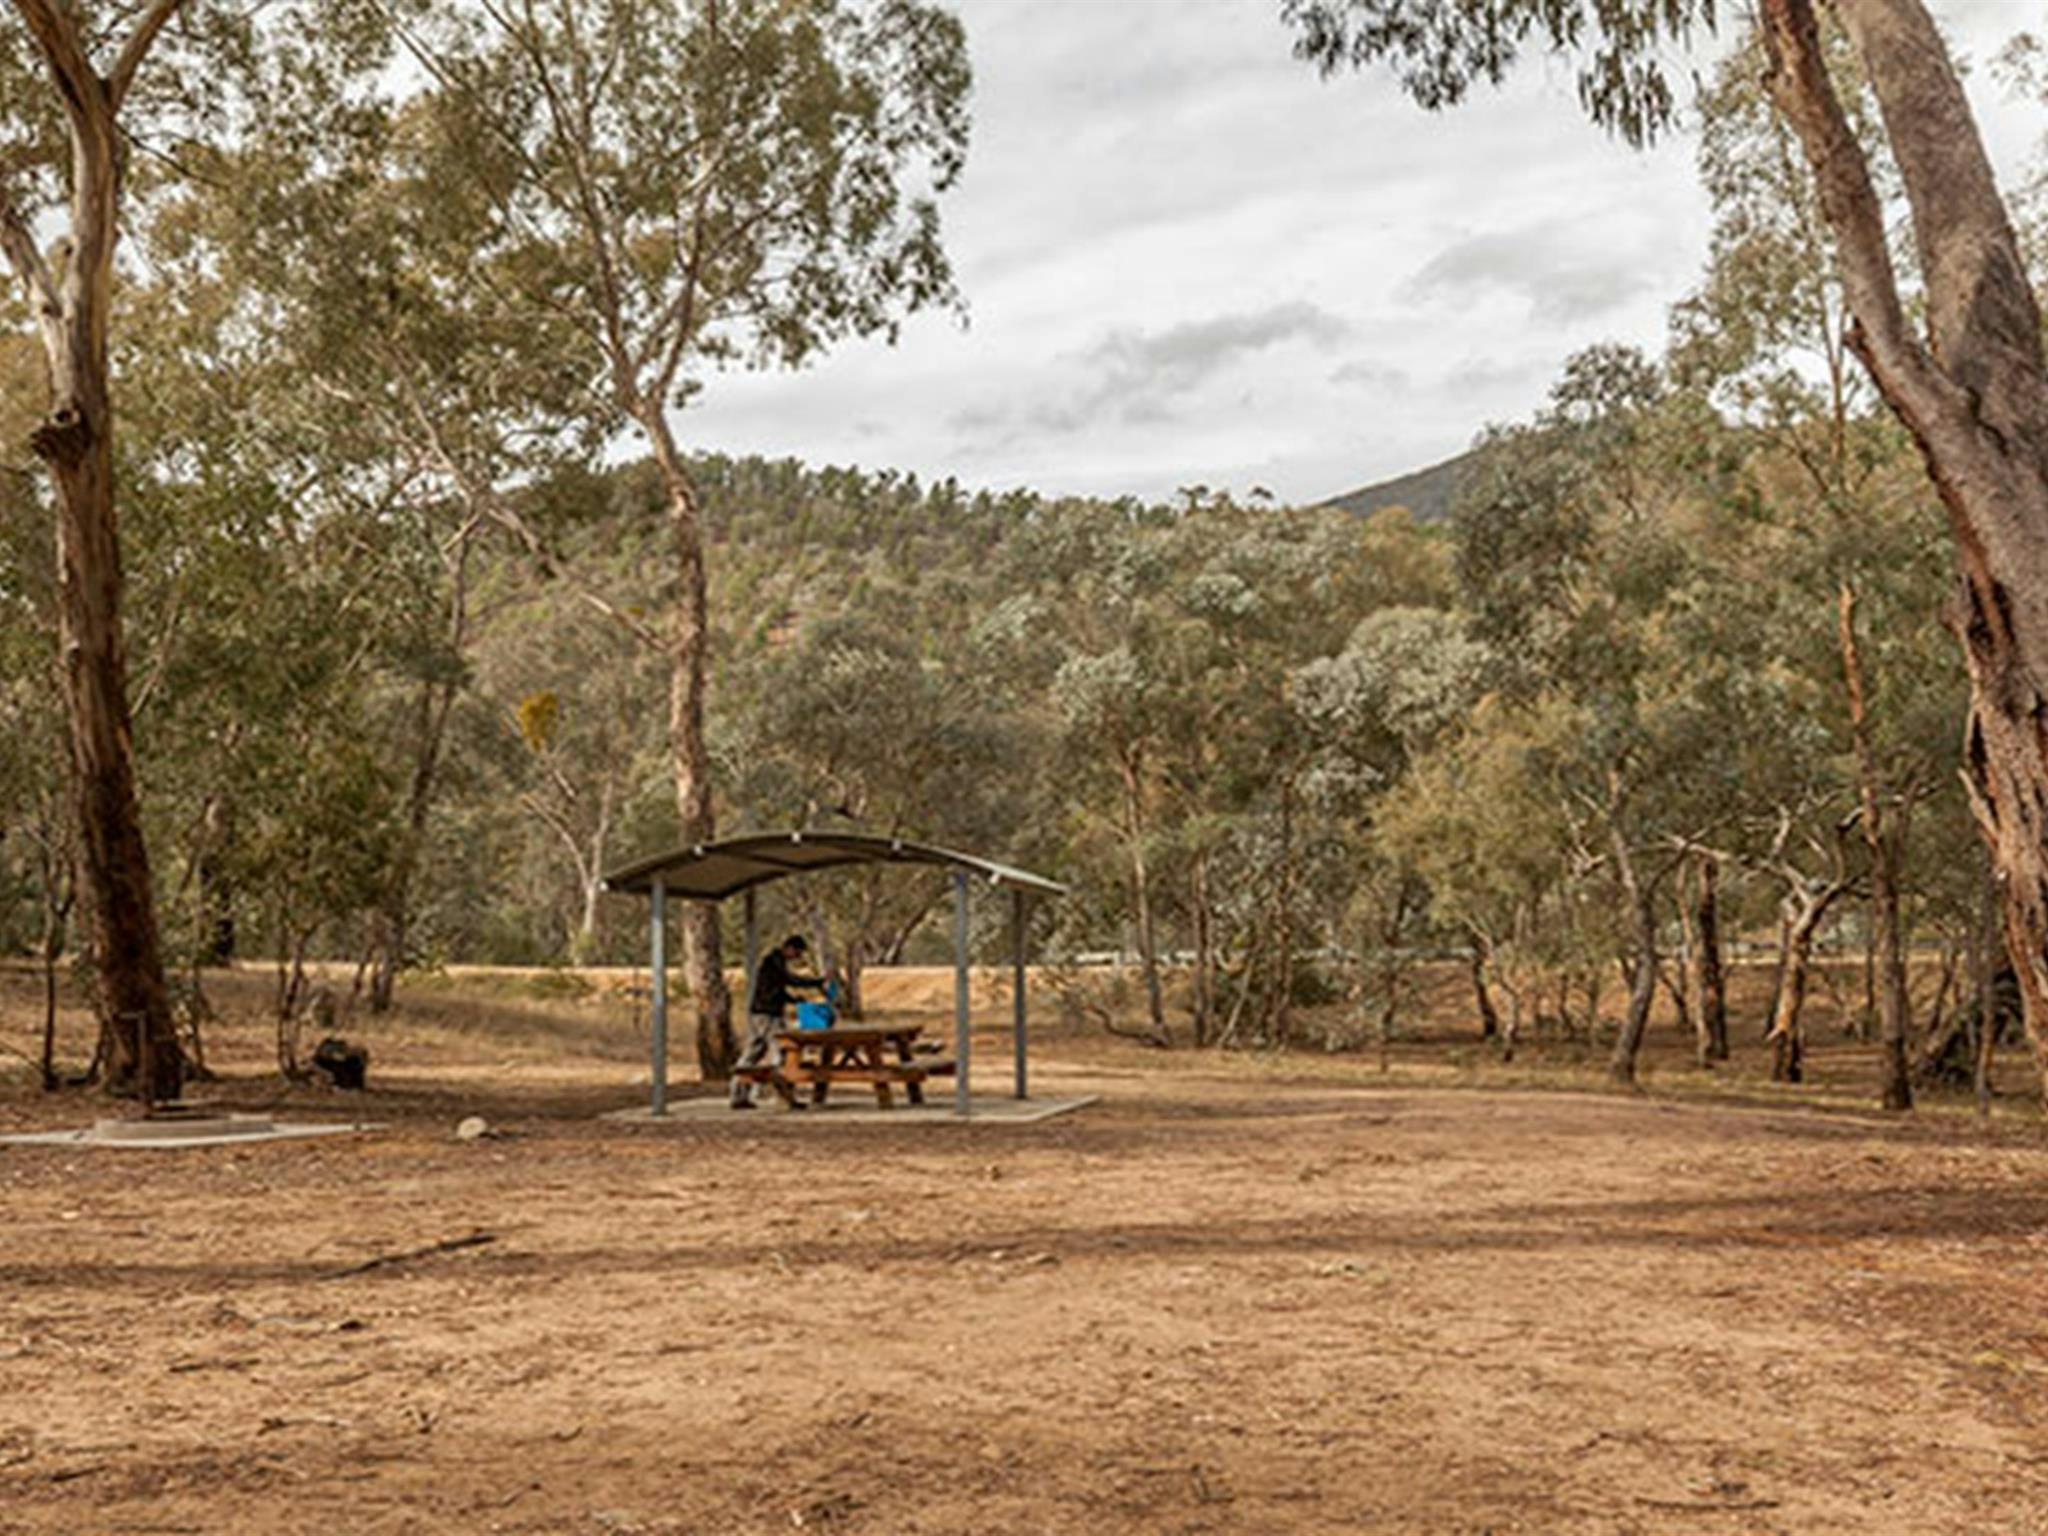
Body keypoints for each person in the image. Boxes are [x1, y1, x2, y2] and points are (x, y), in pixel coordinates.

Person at [730, 934, 828, 1109]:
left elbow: (778, 988)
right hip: (768, 1014)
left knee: (753, 1053)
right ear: (789, 948)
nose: (796, 957)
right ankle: (783, 1097)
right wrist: (815, 983)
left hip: (758, 1012)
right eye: (796, 953)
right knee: (783, 1052)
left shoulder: (775, 962)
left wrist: (793, 998)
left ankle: (738, 1095)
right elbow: (789, 981)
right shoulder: (773, 962)